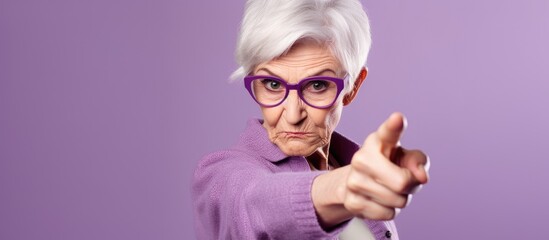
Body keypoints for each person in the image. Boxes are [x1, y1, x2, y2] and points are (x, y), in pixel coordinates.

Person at [192, 0, 430, 239]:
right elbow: (252, 202)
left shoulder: (353, 164)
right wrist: (343, 188)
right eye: (272, 84)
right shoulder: (222, 177)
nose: (293, 115)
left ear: (353, 87)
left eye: (317, 85)